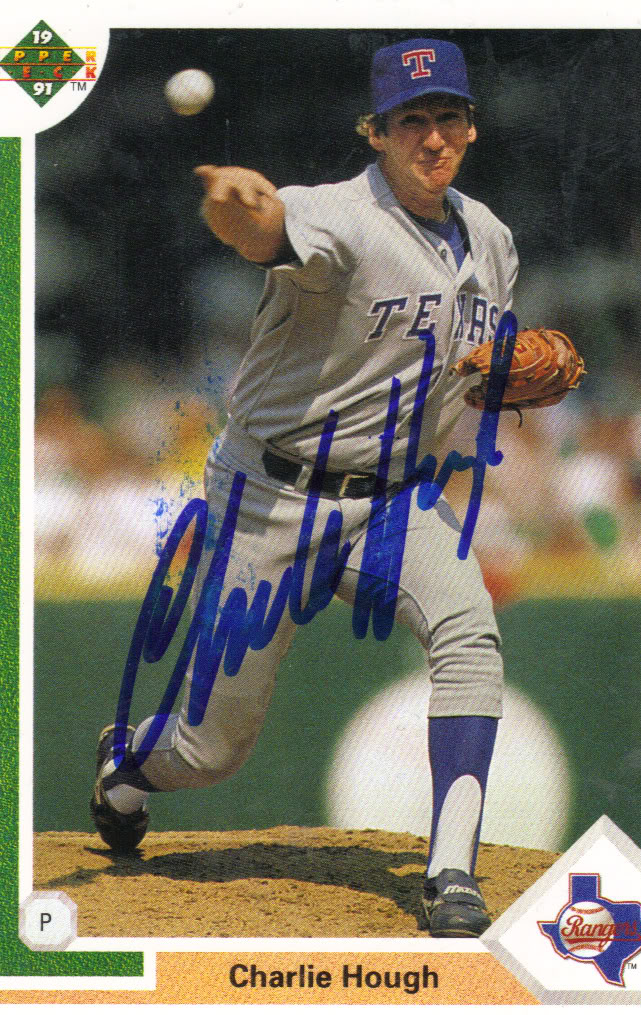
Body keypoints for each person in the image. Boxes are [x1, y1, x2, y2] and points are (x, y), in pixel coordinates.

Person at [91, 37, 519, 938]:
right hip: (272, 496)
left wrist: (504, 377)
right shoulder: (336, 216)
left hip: (393, 497)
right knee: (211, 750)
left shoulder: (491, 239)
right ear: (376, 132)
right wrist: (236, 211)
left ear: (471, 128)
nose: (431, 137)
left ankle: (449, 873)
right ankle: (127, 766)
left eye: (447, 117)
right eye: (410, 120)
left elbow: (466, 373)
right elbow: (265, 230)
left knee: (469, 633)